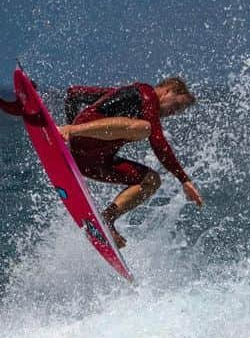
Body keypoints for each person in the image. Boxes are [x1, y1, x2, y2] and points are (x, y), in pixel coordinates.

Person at [57, 77, 203, 248]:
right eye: (176, 107)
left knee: (151, 181)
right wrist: (184, 179)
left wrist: (71, 126)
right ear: (167, 91)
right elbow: (158, 141)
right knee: (145, 128)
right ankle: (70, 131)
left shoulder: (120, 94)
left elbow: (74, 94)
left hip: (93, 163)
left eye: (177, 112)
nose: (173, 114)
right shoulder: (146, 93)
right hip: (80, 138)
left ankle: (107, 219)